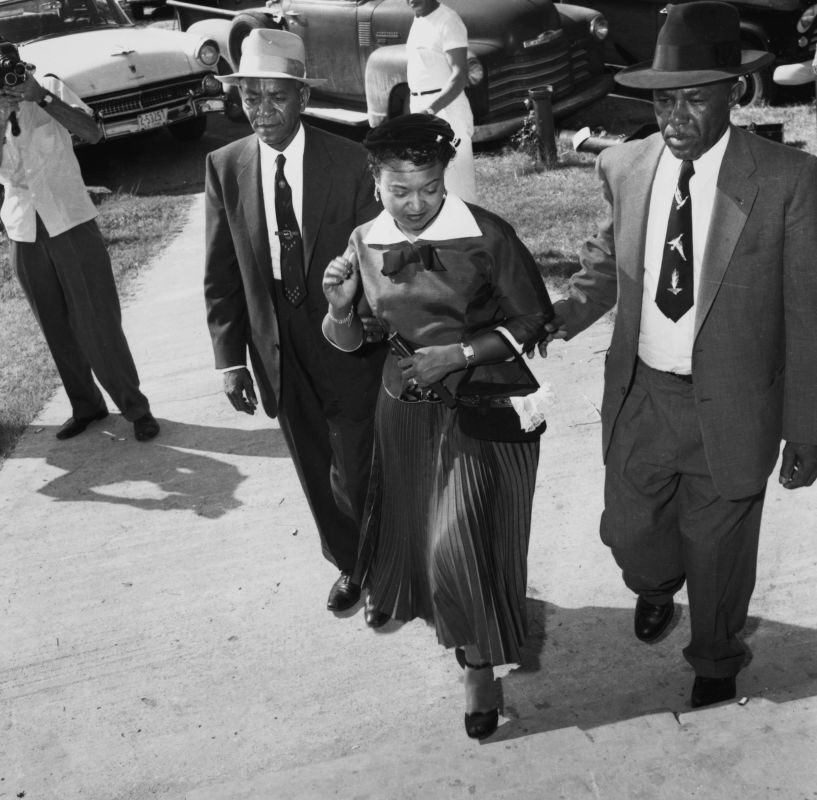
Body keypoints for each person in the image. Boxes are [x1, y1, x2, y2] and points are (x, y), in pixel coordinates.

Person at [542, 2, 817, 708]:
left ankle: (716, 662)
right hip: (642, 397)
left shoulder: (786, 180)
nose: (676, 116)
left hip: (734, 402)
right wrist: (556, 316)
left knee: (719, 552)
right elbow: (607, 263)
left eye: (695, 98)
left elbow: (804, 313)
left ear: (734, 91)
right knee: (631, 533)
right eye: (665, 99)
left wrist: (805, 428)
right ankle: (655, 585)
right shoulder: (624, 166)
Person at [322, 114, 553, 739]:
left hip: (478, 413)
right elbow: (356, 339)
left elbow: (534, 318)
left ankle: (481, 672)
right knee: (427, 548)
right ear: (376, 183)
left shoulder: (486, 234)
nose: (417, 202)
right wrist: (340, 310)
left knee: (461, 545)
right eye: (400, 190)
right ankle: (473, 637)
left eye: (428, 186)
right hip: (404, 416)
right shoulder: (363, 241)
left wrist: (462, 353)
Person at [204, 29, 385, 615]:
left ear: (302, 97)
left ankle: (388, 562)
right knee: (312, 460)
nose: (262, 110)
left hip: (344, 330)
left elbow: (377, 258)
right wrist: (231, 359)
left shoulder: (350, 160)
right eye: (251, 97)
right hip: (276, 342)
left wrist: (362, 313)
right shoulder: (225, 166)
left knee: (358, 462)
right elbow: (222, 271)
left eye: (275, 96)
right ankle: (351, 565)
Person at [0, 42, 159, 442]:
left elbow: (92, 130)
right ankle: (85, 406)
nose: (11, 79)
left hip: (70, 220)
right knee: (54, 326)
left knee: (98, 322)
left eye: (14, 69)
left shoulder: (49, 86)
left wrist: (43, 97)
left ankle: (136, 408)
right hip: (24, 229)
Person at [406, 0, 477, 203]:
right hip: (422, 110)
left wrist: (430, 110)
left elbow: (460, 76)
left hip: (447, 110)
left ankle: (468, 233)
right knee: (430, 183)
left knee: (458, 186)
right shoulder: (418, 19)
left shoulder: (448, 21)